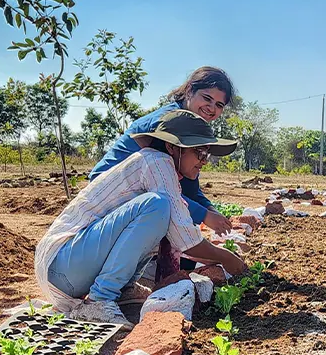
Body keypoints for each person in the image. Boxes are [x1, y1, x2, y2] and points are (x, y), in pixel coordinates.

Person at [35, 110, 247, 330]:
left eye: (207, 154)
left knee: (162, 212)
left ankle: (123, 288)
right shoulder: (157, 162)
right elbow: (185, 239)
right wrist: (226, 258)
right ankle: (99, 300)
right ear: (172, 147)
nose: (204, 161)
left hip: (66, 270)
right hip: (62, 265)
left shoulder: (160, 166)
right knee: (157, 206)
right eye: (200, 153)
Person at [90, 66, 236, 236]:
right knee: (162, 212)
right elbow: (161, 189)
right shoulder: (167, 125)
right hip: (108, 194)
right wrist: (204, 215)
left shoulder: (191, 129)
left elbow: (189, 187)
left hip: (141, 193)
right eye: (206, 98)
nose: (211, 108)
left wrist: (210, 209)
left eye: (219, 105)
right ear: (189, 91)